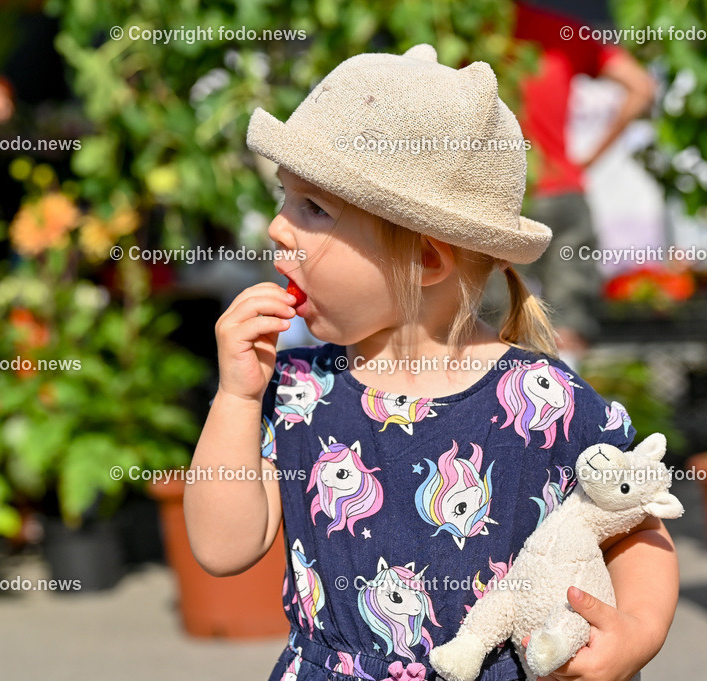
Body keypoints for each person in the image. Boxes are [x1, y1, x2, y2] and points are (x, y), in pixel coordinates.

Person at [184, 45, 678, 681]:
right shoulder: (299, 392)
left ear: (425, 259)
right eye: (286, 198)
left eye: (314, 209)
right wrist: (236, 398)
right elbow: (223, 549)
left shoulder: (543, 400)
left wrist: (637, 630)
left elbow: (635, 521)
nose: (278, 228)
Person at [503, 2, 657, 362]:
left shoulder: (469, 35)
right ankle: (567, 410)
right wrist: (588, 159)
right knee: (568, 325)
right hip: (562, 190)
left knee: (498, 324)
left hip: (501, 194)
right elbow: (642, 88)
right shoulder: (562, 30)